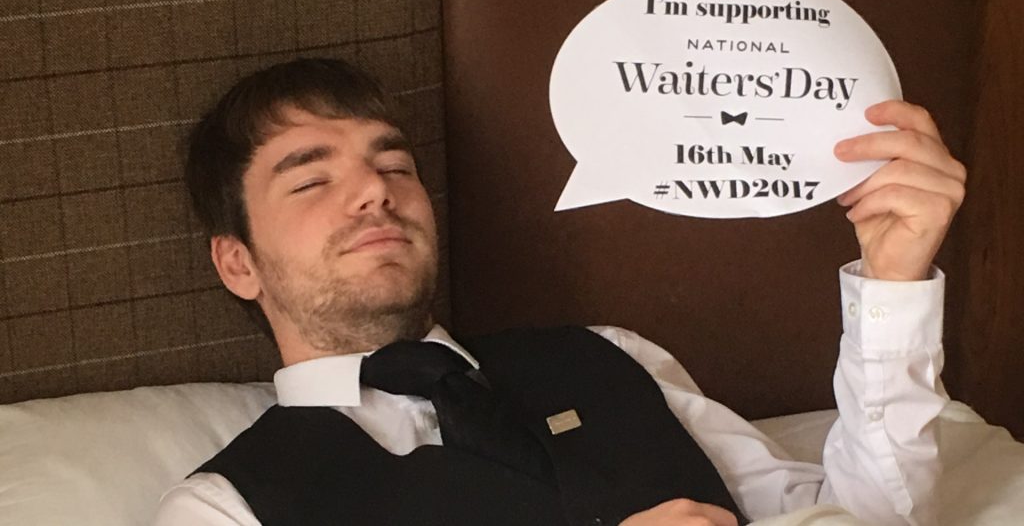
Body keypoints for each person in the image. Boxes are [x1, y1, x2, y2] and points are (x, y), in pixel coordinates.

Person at [153, 58, 965, 526]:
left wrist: (893, 280)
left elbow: (865, 518)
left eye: (394, 165)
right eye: (311, 180)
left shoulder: (606, 356)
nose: (374, 190)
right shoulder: (225, 507)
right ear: (238, 264)